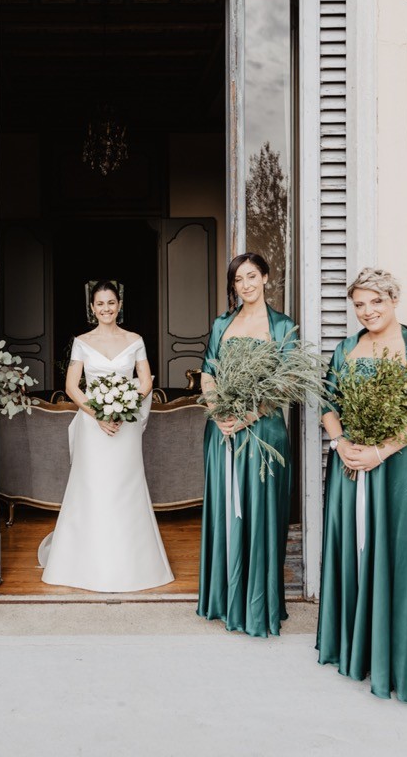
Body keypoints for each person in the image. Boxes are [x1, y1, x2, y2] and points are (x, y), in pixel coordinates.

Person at [317, 267, 407, 703]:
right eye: (359, 304)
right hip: (352, 467)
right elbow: (329, 402)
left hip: (404, 469)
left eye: (375, 301)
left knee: (405, 555)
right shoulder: (347, 348)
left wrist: (381, 451)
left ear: (393, 300)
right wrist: (341, 442)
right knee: (358, 550)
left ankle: (403, 658)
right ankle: (360, 651)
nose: (367, 311)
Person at [39, 280, 173, 592]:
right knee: (92, 486)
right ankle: (83, 563)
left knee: (126, 486)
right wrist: (99, 413)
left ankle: (133, 563)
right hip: (93, 424)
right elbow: (73, 386)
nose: (106, 309)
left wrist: (124, 404)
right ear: (92, 308)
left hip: (124, 424)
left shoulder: (135, 339)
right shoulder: (82, 342)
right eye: (100, 304)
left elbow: (145, 381)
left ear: (119, 305)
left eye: (111, 303)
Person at [197, 252, 296, 637]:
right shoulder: (223, 323)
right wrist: (218, 410)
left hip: (264, 433)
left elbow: (286, 383)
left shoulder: (283, 326)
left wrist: (248, 417)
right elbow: (209, 371)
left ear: (266, 278)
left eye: (252, 277)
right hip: (221, 432)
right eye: (238, 280)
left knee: (260, 513)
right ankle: (223, 600)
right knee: (225, 512)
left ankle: (258, 604)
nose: (246, 285)